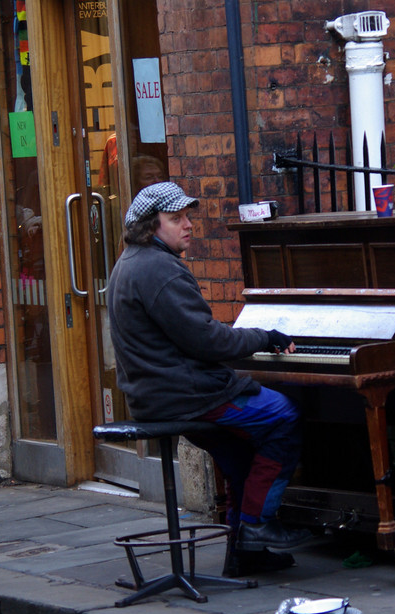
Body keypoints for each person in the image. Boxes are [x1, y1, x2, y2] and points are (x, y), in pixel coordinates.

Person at [106, 181, 313, 577]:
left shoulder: (130, 263)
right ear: (151, 227)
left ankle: (243, 553)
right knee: (284, 415)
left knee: (238, 455)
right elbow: (206, 339)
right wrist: (264, 337)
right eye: (176, 219)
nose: (187, 225)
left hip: (157, 396)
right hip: (188, 396)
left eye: (187, 217)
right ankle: (255, 526)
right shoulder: (159, 269)